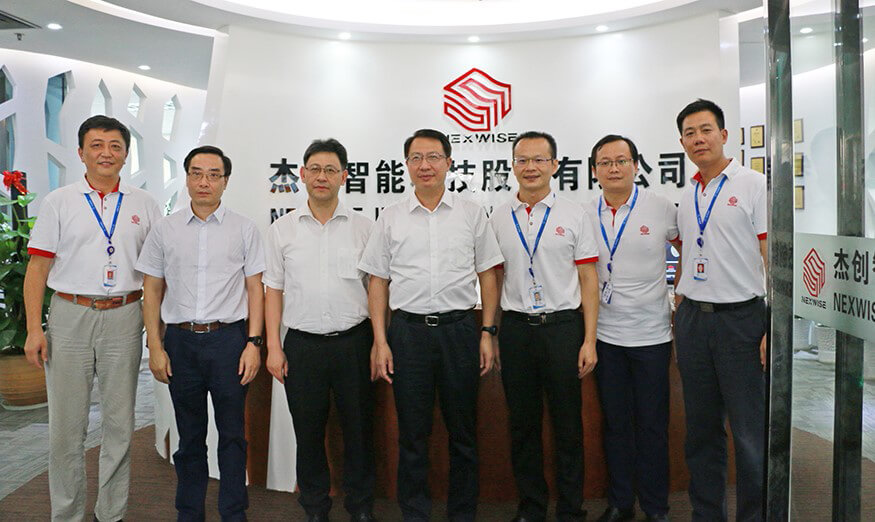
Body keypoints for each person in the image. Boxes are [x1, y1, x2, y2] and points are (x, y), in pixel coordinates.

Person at [359, 129, 503, 522]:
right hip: (408, 334)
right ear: (406, 165)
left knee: (463, 433)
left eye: (434, 157)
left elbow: (488, 274)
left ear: (449, 162)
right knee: (412, 434)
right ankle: (415, 514)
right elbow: (378, 281)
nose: (425, 165)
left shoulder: (470, 213)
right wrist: (380, 341)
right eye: (417, 158)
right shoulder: (390, 217)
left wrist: (487, 332)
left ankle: (462, 515)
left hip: (460, 331)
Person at [23, 115, 162, 522]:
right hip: (70, 315)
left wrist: (155, 329)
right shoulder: (60, 201)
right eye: (97, 145)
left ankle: (110, 513)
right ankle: (66, 514)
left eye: (115, 146)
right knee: (67, 428)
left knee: (120, 424)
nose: (106, 153)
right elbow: (37, 268)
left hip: (125, 316)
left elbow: (156, 274)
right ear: (81, 152)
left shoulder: (144, 204)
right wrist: (33, 329)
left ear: (126, 155)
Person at [137, 145, 264, 522]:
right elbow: (151, 289)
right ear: (187, 178)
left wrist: (254, 343)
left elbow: (255, 288)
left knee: (232, 435)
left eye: (213, 174)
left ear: (225, 181)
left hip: (229, 341)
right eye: (196, 173)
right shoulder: (165, 229)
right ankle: (189, 511)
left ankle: (233, 512)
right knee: (189, 436)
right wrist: (155, 346)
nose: (204, 181)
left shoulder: (244, 228)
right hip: (181, 342)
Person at [263, 138, 377, 522]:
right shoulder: (282, 230)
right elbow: (273, 290)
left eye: (330, 170)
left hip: (354, 343)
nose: (322, 176)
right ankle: (315, 508)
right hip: (302, 346)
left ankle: (361, 508)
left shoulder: (364, 228)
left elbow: (377, 289)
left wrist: (379, 342)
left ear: (344, 176)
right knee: (308, 433)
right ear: (302, 174)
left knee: (359, 431)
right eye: (315, 169)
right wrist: (274, 347)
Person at [489, 131, 599, 522]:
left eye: (539, 160)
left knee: (568, 425)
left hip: (563, 328)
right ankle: (531, 507)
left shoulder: (574, 214)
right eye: (522, 160)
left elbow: (588, 278)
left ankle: (571, 508)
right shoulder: (499, 217)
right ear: (513, 165)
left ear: (554, 165)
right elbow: (495, 279)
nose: (530, 167)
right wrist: (493, 334)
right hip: (517, 329)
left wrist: (589, 339)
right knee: (522, 425)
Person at [674, 99, 767, 522]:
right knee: (701, 430)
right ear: (682, 142)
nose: (698, 139)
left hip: (741, 321)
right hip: (694, 320)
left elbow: (771, 256)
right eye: (689, 133)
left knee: (748, 433)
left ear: (724, 135)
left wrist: (773, 326)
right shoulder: (688, 192)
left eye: (706, 130)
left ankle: (753, 515)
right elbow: (689, 254)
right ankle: (707, 514)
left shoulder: (754, 185)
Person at [587, 135, 676, 522]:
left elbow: (691, 248)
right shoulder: (585, 213)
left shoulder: (661, 208)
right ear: (594, 171)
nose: (613, 168)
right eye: (605, 162)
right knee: (616, 425)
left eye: (621, 161)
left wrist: (682, 294)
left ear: (636, 166)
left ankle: (656, 507)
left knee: (653, 426)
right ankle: (621, 502)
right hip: (606, 337)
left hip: (652, 336)